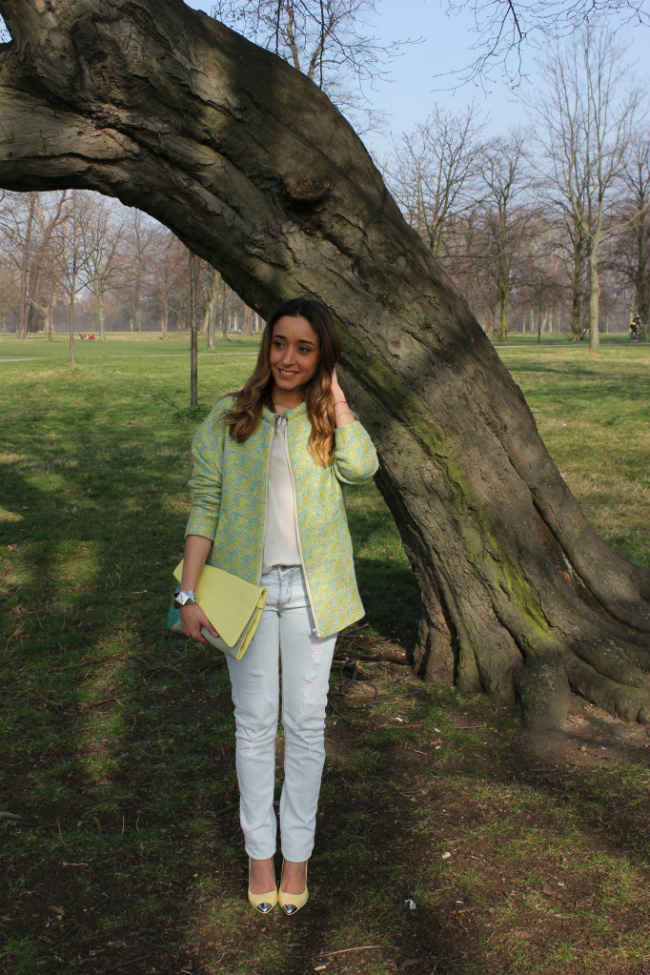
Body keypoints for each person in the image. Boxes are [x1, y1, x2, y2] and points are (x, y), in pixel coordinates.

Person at [175, 297, 378, 915]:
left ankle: (298, 857)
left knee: (307, 726)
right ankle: (260, 855)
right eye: (280, 343)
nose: (289, 357)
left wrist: (337, 401)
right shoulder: (229, 419)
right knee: (256, 724)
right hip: (248, 594)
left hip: (316, 595)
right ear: (267, 346)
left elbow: (363, 468)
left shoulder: (326, 423)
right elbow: (204, 506)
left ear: (323, 358)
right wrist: (187, 594)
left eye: (305, 348)